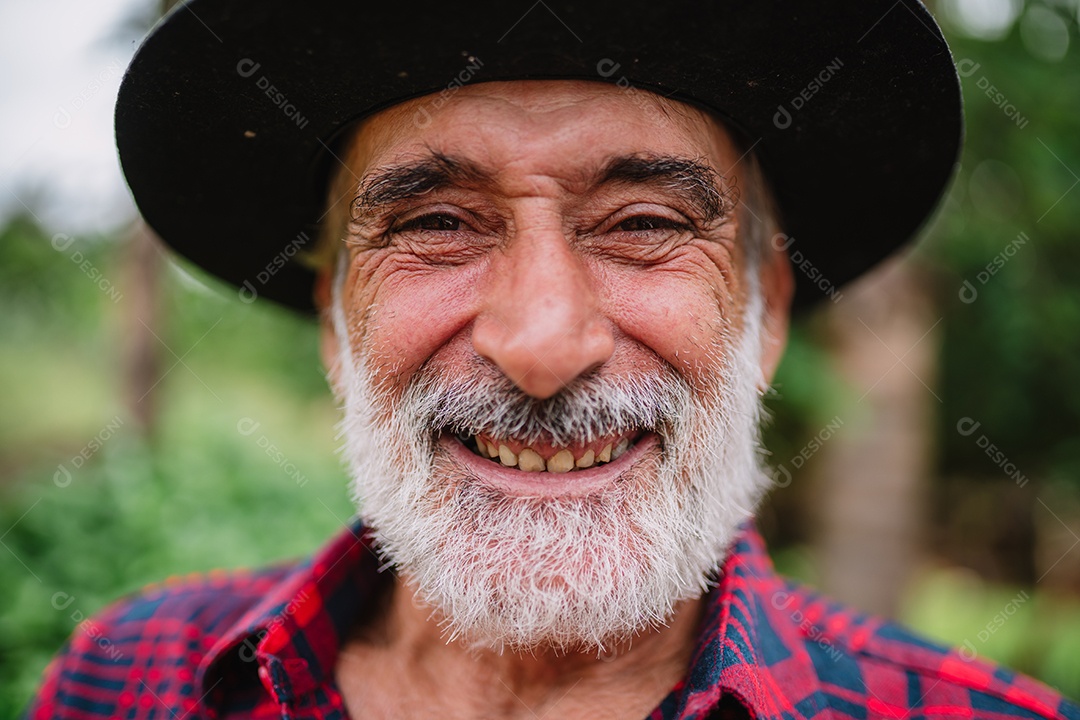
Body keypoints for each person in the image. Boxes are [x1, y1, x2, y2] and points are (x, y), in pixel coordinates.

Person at [25, 1, 1080, 718]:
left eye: (644, 223)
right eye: (437, 222)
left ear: (762, 314)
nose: (539, 345)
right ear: (340, 325)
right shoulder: (128, 679)